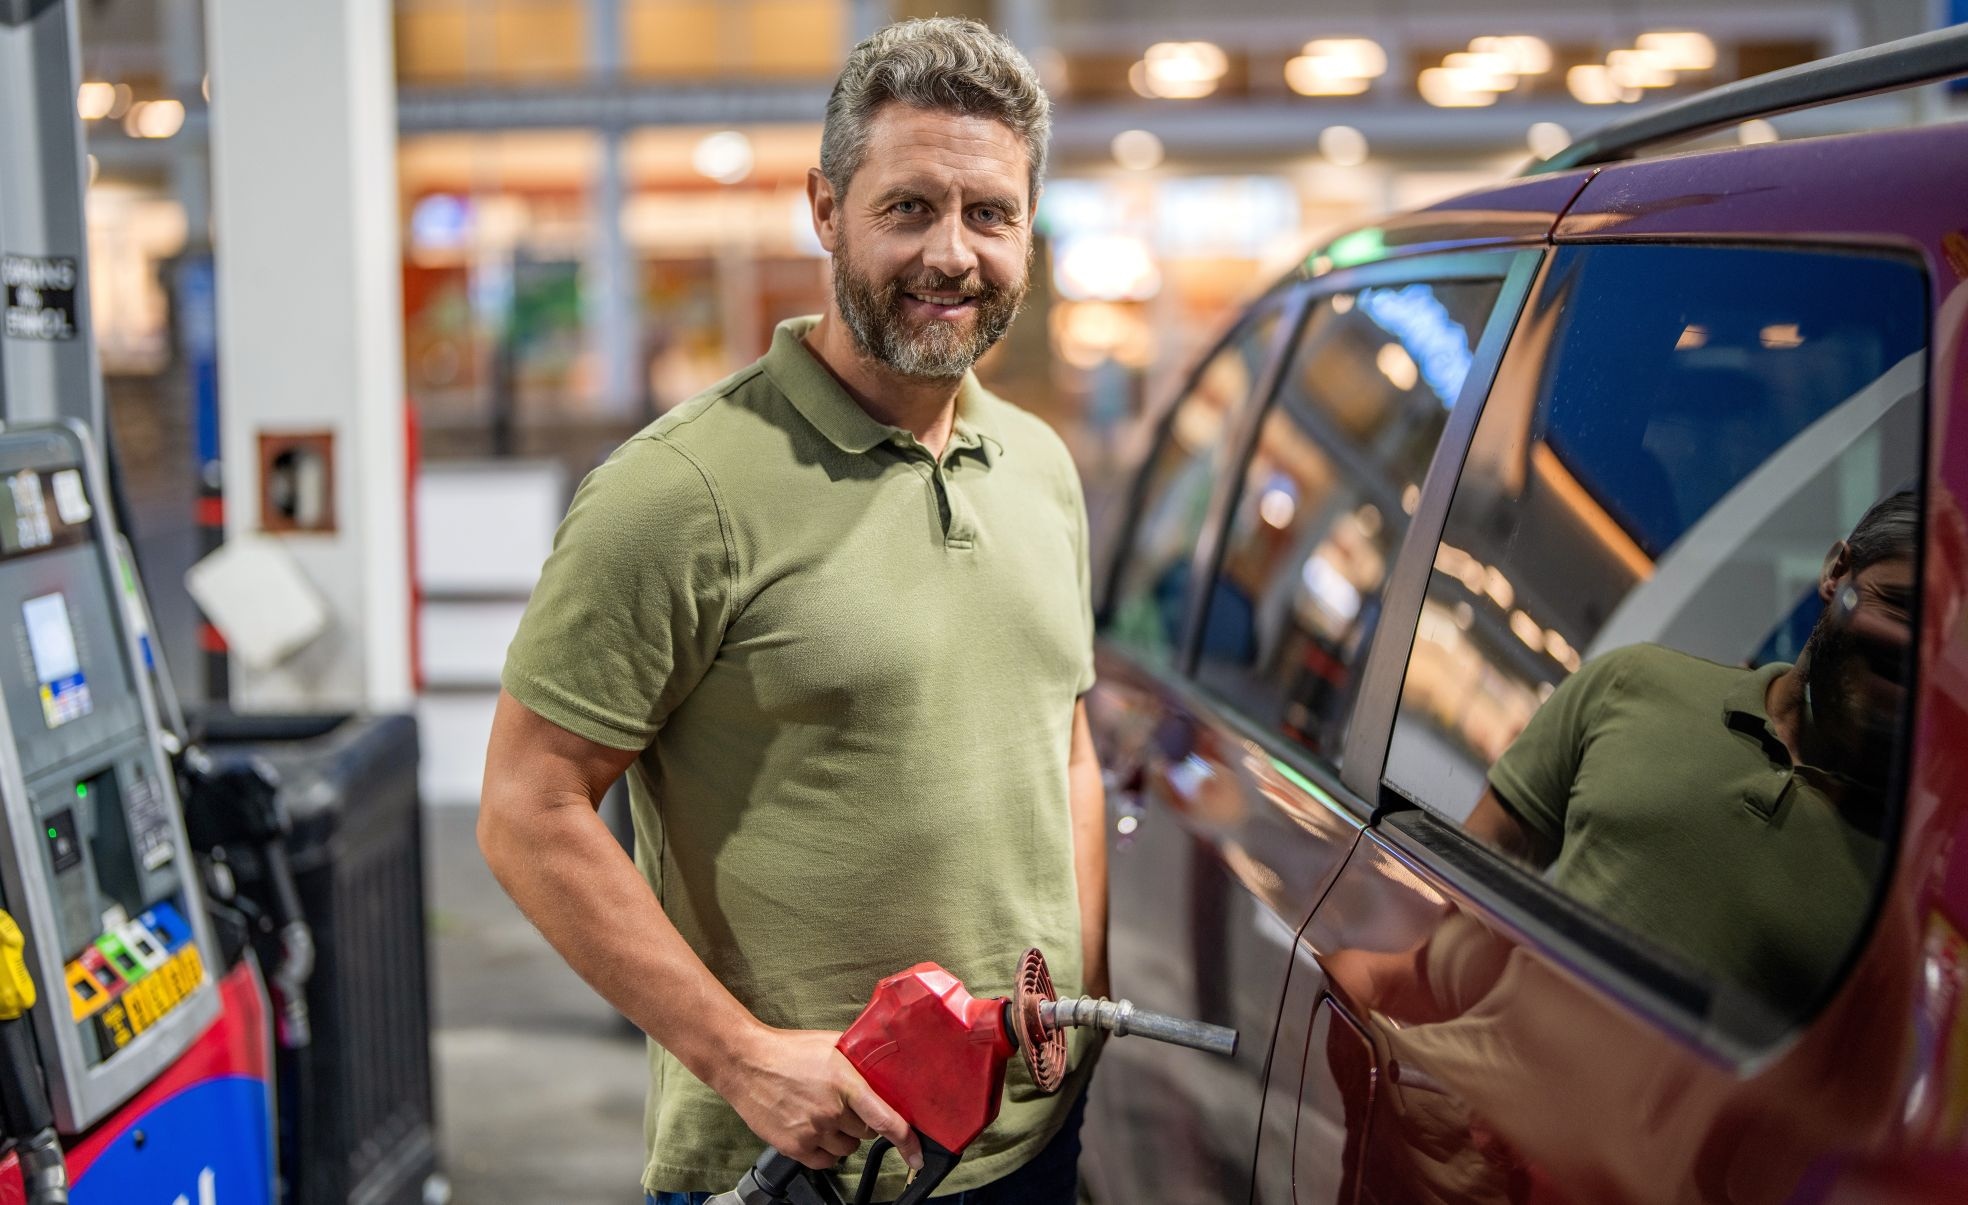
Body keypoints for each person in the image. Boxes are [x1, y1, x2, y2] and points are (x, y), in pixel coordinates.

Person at [476, 18, 1106, 1205]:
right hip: (797, 1170)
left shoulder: (1040, 466)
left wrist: (1086, 1003)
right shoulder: (679, 492)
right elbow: (527, 806)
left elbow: (1063, 744)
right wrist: (744, 1056)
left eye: (990, 214)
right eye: (909, 208)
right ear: (826, 211)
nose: (953, 254)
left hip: (1030, 1146)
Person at [1464, 489, 1918, 1009]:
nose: (1912, 654)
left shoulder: (1904, 889)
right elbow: (1464, 893)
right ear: (1837, 571)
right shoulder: (1633, 682)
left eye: (1946, 648)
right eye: (1901, 609)